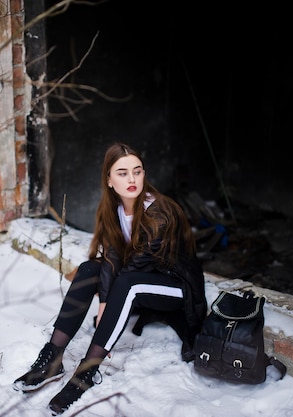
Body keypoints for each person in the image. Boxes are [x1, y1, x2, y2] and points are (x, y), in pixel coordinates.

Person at [13, 142, 208, 415]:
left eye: (137, 172)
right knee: (88, 269)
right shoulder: (114, 208)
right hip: (140, 281)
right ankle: (52, 358)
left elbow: (134, 267)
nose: (132, 179)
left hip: (177, 286)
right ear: (109, 179)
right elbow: (112, 257)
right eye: (123, 173)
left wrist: (106, 303)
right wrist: (105, 299)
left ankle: (87, 373)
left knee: (127, 282)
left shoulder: (160, 211)